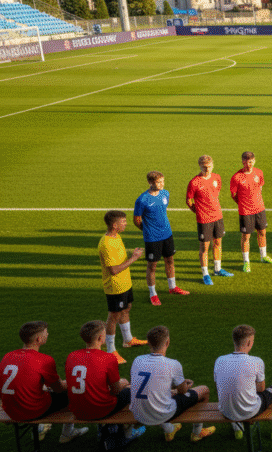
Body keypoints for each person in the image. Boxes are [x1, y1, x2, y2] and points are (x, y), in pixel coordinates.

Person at [0, 321, 86, 444]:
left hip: (10, 409)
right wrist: (72, 382)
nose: (48, 333)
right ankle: (67, 432)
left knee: (45, 389)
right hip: (31, 410)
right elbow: (59, 389)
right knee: (73, 393)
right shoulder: (44, 360)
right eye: (46, 332)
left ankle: (43, 425)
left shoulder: (8, 356)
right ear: (39, 339)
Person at [130, 326, 214, 442]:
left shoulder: (137, 360)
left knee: (159, 397)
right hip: (160, 414)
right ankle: (197, 433)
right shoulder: (173, 364)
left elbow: (150, 384)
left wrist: (172, 389)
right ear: (167, 342)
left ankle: (169, 429)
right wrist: (184, 385)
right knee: (204, 390)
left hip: (138, 414)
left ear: (148, 343)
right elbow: (182, 391)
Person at [213, 325, 272, 440]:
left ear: (234, 341)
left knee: (232, 392)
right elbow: (261, 389)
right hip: (250, 411)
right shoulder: (256, 361)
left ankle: (238, 430)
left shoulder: (219, 360)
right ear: (249, 343)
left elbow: (218, 388)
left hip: (226, 411)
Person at [65, 320, 141, 436]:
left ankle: (67, 432)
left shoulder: (72, 356)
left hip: (77, 410)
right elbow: (116, 391)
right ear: (101, 337)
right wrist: (124, 382)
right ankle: (127, 433)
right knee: (132, 390)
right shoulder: (108, 358)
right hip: (101, 410)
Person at [98, 210, 151, 365]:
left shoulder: (116, 236)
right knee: (114, 316)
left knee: (126, 308)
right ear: (115, 225)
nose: (126, 223)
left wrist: (130, 254)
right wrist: (134, 258)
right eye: (123, 222)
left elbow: (119, 259)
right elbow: (113, 270)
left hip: (125, 283)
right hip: (115, 286)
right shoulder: (106, 244)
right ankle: (110, 350)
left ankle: (128, 340)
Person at [133, 171, 188, 306]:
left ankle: (172, 287)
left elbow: (162, 211)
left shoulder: (165, 193)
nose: (162, 184)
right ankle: (153, 294)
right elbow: (136, 220)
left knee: (170, 260)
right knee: (152, 266)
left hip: (167, 233)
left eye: (163, 181)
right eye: (159, 182)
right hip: (152, 238)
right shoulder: (142, 200)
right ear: (150, 183)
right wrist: (147, 230)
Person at [185, 155, 232, 284]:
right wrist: (198, 211)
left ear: (213, 165)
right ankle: (205, 274)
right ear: (199, 166)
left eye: (209, 166)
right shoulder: (194, 182)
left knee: (218, 243)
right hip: (204, 219)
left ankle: (217, 269)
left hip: (218, 216)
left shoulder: (217, 177)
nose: (207, 169)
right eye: (204, 167)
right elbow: (189, 201)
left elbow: (216, 192)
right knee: (204, 247)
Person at [231, 151, 272, 271]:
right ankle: (246, 261)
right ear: (243, 162)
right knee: (246, 236)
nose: (249, 164)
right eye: (247, 162)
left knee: (262, 232)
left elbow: (260, 187)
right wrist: (242, 203)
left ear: (254, 161)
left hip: (260, 209)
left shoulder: (259, 172)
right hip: (245, 211)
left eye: (251, 162)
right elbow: (233, 194)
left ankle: (264, 256)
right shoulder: (236, 177)